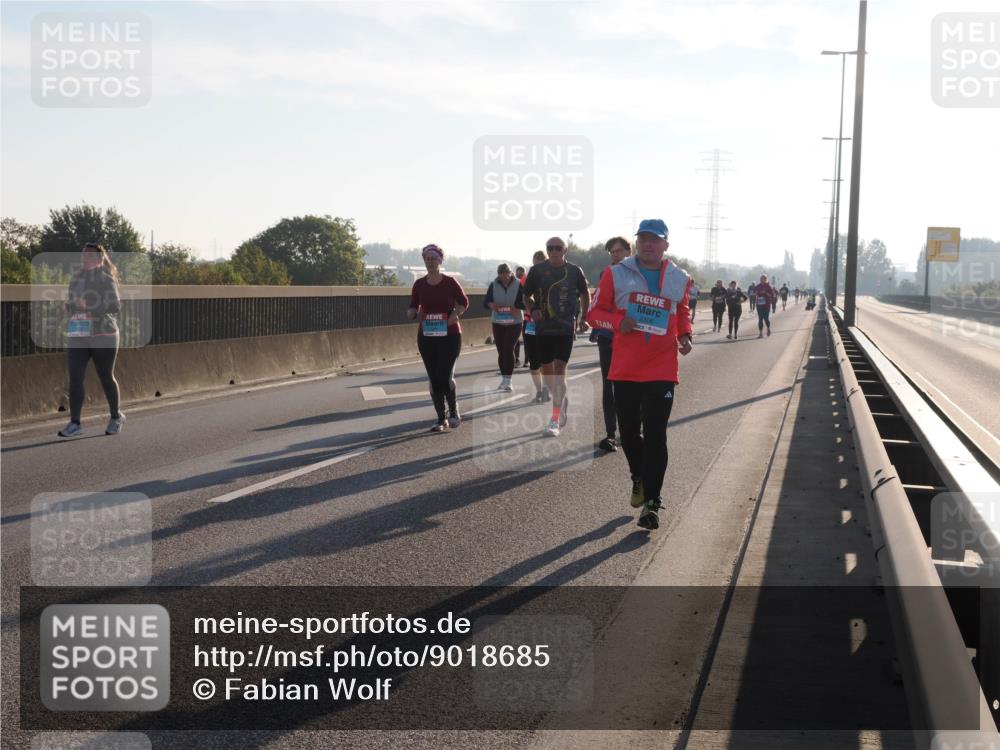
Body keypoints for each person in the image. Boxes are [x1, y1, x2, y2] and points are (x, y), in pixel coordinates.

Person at [587, 218, 692, 530]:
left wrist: (685, 334)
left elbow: (682, 311)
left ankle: (652, 503)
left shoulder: (678, 277)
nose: (648, 244)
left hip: (662, 367)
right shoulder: (616, 273)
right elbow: (593, 314)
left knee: (656, 435)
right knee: (630, 434)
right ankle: (638, 476)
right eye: (643, 238)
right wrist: (618, 323)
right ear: (637, 242)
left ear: (665, 244)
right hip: (626, 368)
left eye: (655, 239)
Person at [521, 237, 590, 438]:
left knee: (559, 372)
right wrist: (533, 308)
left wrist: (584, 317)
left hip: (565, 328)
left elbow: (585, 293)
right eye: (550, 248)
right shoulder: (537, 271)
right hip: (543, 329)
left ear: (565, 250)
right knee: (548, 374)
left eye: (558, 248)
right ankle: (561, 399)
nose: (553, 251)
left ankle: (555, 418)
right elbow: (525, 296)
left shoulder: (575, 271)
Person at [58, 242, 126, 437]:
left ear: (99, 259)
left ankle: (116, 416)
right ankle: (75, 423)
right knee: (75, 377)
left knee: (105, 376)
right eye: (83, 254)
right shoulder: (76, 279)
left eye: (89, 255)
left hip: (103, 334)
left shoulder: (106, 279)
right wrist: (69, 307)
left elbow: (115, 306)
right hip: (79, 332)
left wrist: (89, 306)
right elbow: (73, 302)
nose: (85, 258)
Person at [407, 244, 469, 432]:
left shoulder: (450, 282)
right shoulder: (419, 284)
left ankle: (453, 411)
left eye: (433, 258)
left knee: (444, 375)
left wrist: (455, 314)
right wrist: (412, 311)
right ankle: (441, 418)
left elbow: (464, 302)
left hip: (450, 335)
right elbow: (413, 305)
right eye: (427, 259)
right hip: (427, 336)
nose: (430, 262)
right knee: (434, 378)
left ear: (440, 261)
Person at [590, 236, 632, 452]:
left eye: (619, 251)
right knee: (609, 385)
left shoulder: (640, 275)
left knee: (632, 385)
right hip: (608, 337)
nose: (615, 255)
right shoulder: (607, 274)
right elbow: (597, 308)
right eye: (612, 252)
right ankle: (610, 435)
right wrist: (599, 327)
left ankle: (632, 430)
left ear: (629, 251)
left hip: (632, 339)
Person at [484, 263, 522, 392]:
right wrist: (491, 305)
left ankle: (509, 380)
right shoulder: (493, 285)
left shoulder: (519, 284)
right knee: (501, 351)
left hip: (515, 322)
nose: (504, 277)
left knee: (508, 348)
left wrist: (517, 307)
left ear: (511, 273)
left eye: (506, 274)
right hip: (498, 321)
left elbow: (525, 300)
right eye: (501, 274)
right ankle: (504, 379)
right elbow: (486, 301)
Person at [521, 251, 549, 398]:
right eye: (535, 265)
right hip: (530, 323)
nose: (537, 268)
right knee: (533, 361)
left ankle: (545, 388)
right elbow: (520, 299)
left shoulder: (551, 278)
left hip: (547, 324)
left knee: (546, 359)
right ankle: (539, 390)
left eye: (540, 265)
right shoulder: (526, 279)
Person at [754, 274, 777, 338]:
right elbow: (754, 293)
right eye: (761, 279)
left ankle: (768, 328)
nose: (762, 280)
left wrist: (765, 293)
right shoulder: (758, 286)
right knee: (760, 319)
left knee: (766, 318)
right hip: (759, 304)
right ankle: (760, 333)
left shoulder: (768, 286)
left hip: (766, 305)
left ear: (766, 279)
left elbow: (772, 295)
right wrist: (756, 293)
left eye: (763, 279)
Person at [513, 266, 527, 366]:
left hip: (528, 316)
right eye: (518, 275)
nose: (519, 276)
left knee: (527, 339)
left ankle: (527, 360)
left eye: (521, 275)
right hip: (516, 315)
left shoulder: (528, 283)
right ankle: (516, 359)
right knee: (515, 338)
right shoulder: (514, 284)